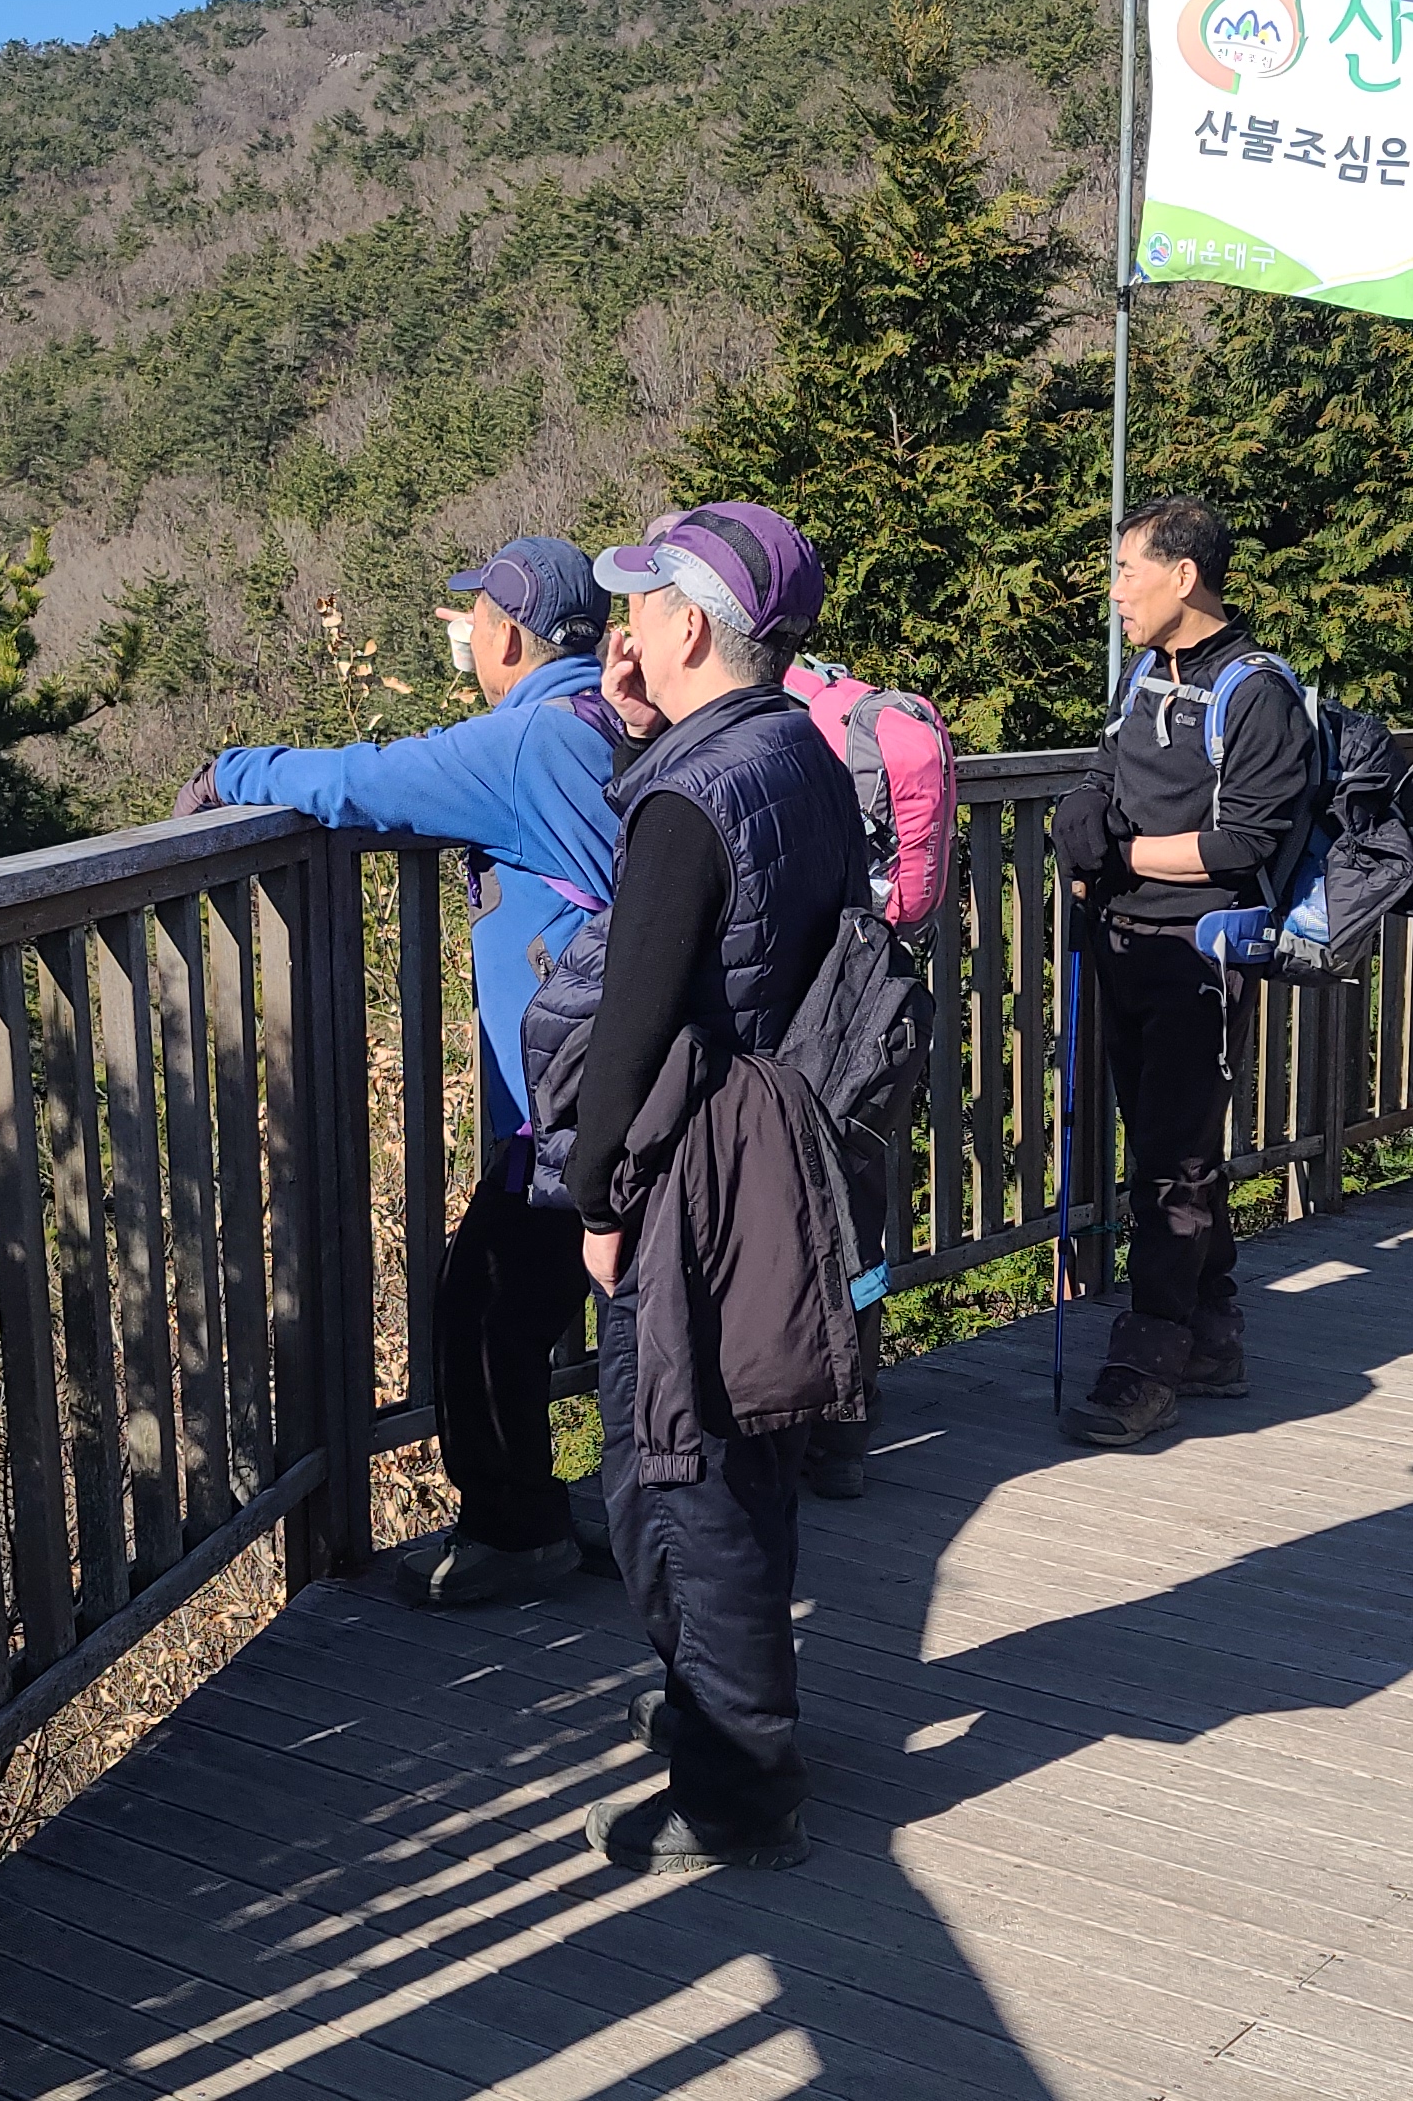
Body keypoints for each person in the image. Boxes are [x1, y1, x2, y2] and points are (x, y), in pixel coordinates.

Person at [186, 536, 625, 1603]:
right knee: (567, 1301)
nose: (468, 637)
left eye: (478, 619)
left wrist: (230, 772)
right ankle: (610, 1508)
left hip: (569, 1101)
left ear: (507, 635)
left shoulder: (523, 743)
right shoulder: (611, 718)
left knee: (481, 1303)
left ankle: (517, 1531)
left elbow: (363, 779)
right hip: (625, 1076)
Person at [572, 501, 866, 1874]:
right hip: (782, 1149)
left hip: (693, 1167)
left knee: (677, 1474)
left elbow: (630, 1023)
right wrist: (645, 736)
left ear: (688, 627)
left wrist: (594, 1197)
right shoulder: (795, 746)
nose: (623, 624)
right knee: (744, 1460)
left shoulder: (691, 801)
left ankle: (742, 1790)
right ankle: (719, 1709)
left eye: (641, 602)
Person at [1049, 496, 1315, 1448]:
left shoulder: (1255, 693)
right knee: (1171, 1145)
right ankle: (1210, 1334)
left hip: (1200, 956)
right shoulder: (1143, 675)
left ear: (1184, 576)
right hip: (1122, 943)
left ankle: (1147, 1362)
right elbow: (1109, 772)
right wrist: (1084, 810)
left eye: (1128, 571)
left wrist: (1120, 856)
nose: (1116, 592)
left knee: (1171, 1161)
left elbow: (1244, 843)